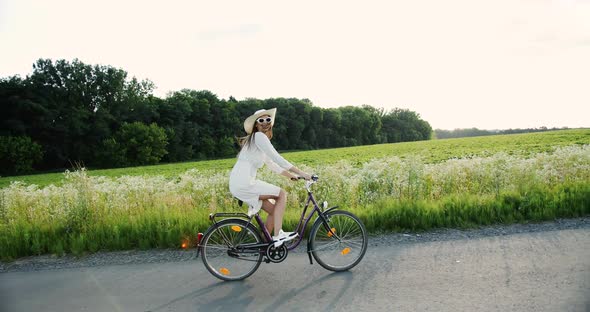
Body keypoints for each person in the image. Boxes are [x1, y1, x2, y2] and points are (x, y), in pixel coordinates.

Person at [229, 108, 311, 247]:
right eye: (261, 120)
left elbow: (272, 164)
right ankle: (278, 235)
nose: (265, 122)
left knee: (274, 211)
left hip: (241, 183)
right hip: (244, 183)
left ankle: (265, 246)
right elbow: (277, 158)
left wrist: (291, 176)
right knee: (281, 194)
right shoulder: (258, 137)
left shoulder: (256, 141)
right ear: (256, 124)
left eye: (268, 119)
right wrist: (302, 173)